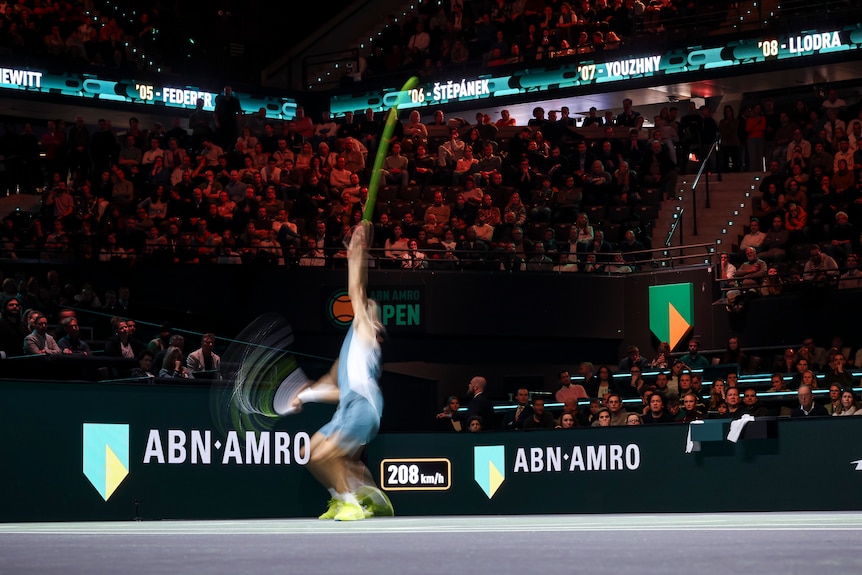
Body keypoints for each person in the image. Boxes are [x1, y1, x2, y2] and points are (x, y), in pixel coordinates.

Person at [273, 222, 388, 521]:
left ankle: (352, 501)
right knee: (309, 453)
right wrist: (305, 396)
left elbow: (356, 288)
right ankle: (355, 495)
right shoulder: (350, 348)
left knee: (327, 456)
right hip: (346, 409)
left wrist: (355, 253)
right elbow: (333, 386)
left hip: (363, 406)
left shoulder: (366, 330)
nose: (366, 307)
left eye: (369, 308)